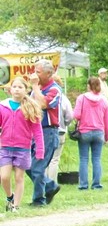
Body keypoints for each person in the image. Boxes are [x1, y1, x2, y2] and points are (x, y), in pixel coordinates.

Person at [0, 77, 44, 212]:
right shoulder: (3, 106)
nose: (17, 90)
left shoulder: (30, 107)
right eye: (15, 87)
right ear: (10, 89)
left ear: (26, 90)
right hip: (5, 147)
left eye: (20, 87)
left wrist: (40, 149)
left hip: (23, 148)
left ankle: (16, 206)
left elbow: (37, 131)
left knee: (19, 177)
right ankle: (9, 196)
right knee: (4, 177)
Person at [25, 59, 62, 207]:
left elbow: (42, 104)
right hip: (34, 132)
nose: (35, 75)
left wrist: (34, 86)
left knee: (38, 167)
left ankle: (39, 200)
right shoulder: (36, 89)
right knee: (27, 164)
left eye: (38, 72)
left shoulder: (54, 89)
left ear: (48, 73)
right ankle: (50, 186)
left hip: (48, 132)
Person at [73, 76, 108, 190]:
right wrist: (107, 135)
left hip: (85, 131)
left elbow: (76, 115)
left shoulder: (82, 98)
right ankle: (96, 184)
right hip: (99, 132)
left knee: (84, 159)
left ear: (89, 86)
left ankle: (83, 184)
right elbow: (107, 120)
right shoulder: (104, 100)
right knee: (97, 159)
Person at [46, 74, 73, 181]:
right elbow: (70, 115)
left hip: (46, 130)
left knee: (45, 158)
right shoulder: (63, 98)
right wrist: (65, 124)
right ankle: (51, 181)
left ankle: (43, 182)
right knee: (54, 159)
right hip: (60, 130)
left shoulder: (43, 96)